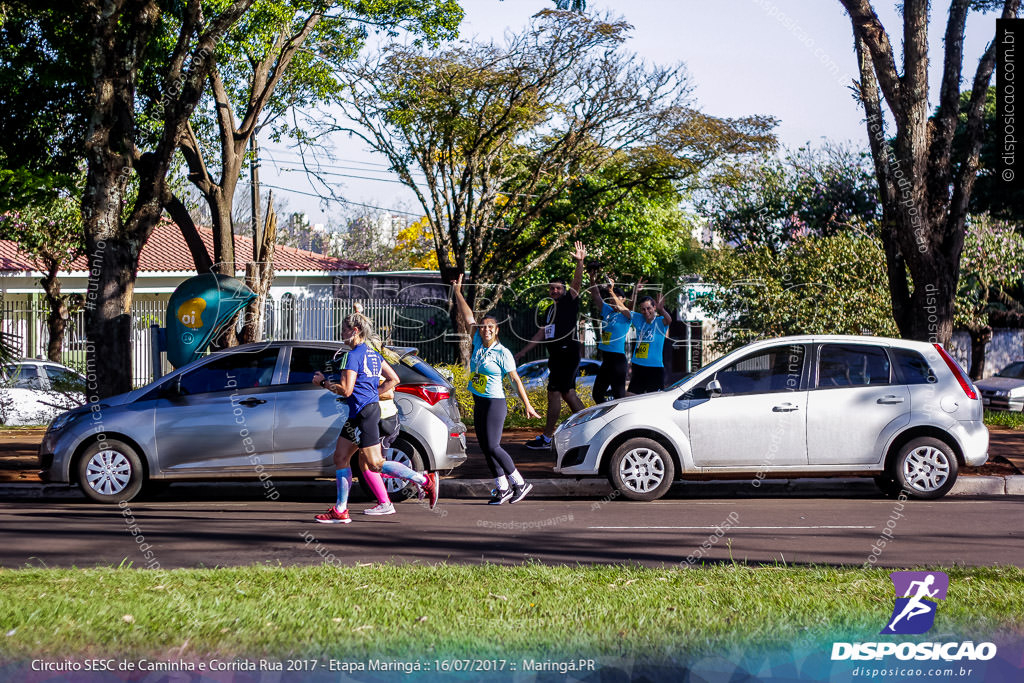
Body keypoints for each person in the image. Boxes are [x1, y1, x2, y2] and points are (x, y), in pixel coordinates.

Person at [311, 314, 438, 524]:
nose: (341, 333)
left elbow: (346, 390)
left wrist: (323, 383)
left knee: (375, 464)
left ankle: (423, 479)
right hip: (359, 414)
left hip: (365, 415)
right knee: (340, 457)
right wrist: (374, 392)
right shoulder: (373, 354)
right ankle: (341, 510)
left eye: (344, 329)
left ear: (355, 331)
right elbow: (394, 379)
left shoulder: (351, 356)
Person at [453, 275, 542, 503]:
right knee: (484, 446)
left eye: (490, 327)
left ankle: (519, 483)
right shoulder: (476, 342)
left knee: (493, 445)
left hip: (495, 403)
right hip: (479, 400)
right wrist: (457, 291)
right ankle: (502, 488)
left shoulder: (503, 353)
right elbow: (467, 316)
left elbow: (515, 380)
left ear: (497, 330)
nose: (486, 330)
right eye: (483, 327)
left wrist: (528, 405)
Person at [515, 241, 587, 450]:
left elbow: (576, 284)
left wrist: (580, 263)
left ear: (564, 290)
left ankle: (548, 437)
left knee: (556, 393)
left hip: (568, 353)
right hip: (556, 356)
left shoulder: (569, 301)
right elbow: (541, 333)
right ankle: (590, 430)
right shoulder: (549, 309)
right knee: (567, 394)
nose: (555, 290)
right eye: (552, 288)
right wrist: (522, 353)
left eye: (558, 288)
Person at [588, 278, 632, 403]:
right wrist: (592, 278)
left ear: (623, 300)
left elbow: (626, 309)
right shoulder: (608, 311)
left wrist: (611, 290)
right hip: (606, 360)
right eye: (612, 297)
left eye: (618, 297)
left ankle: (623, 420)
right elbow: (596, 295)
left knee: (618, 397)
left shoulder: (626, 315)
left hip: (617, 361)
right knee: (597, 394)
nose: (613, 299)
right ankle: (607, 418)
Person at [628, 292, 673, 394]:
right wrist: (635, 292)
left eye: (648, 308)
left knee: (654, 400)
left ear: (654, 308)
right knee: (631, 397)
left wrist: (662, 309)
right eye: (643, 309)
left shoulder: (660, 321)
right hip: (638, 365)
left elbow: (669, 320)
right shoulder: (639, 318)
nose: (646, 311)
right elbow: (628, 310)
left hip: (654, 368)